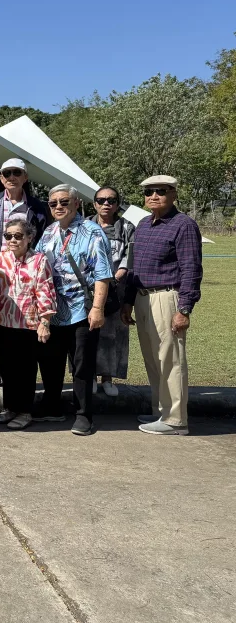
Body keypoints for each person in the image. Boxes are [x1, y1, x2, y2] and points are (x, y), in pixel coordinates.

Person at [123, 175, 203, 436]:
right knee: (153, 358)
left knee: (170, 359)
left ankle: (175, 419)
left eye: (160, 191)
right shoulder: (144, 224)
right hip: (142, 297)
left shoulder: (183, 225)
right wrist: (128, 301)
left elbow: (191, 269)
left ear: (174, 194)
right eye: (148, 192)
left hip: (167, 296)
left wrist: (184, 308)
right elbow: (134, 267)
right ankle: (161, 410)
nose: (153, 196)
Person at [33, 185, 113, 436]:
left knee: (82, 365)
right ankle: (52, 406)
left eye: (64, 201)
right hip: (53, 311)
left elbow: (102, 274)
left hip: (82, 309)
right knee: (50, 361)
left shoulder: (92, 232)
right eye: (53, 203)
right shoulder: (49, 232)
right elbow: (37, 266)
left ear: (77, 203)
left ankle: (83, 414)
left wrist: (97, 308)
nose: (58, 206)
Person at [0, 158, 50, 391]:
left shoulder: (37, 207)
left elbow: (42, 239)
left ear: (25, 177)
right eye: (6, 173)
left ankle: (21, 373)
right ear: (1, 178)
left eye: (16, 172)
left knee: (26, 323)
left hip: (28, 273)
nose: (11, 177)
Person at [0, 216, 57, 430]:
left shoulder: (39, 260)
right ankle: (10, 407)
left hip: (28, 323)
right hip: (3, 321)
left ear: (29, 237)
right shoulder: (1, 258)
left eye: (18, 236)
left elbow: (45, 291)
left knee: (25, 370)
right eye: (8, 236)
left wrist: (45, 321)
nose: (13, 240)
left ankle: (25, 412)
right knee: (7, 368)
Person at [89, 186, 135, 397]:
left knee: (112, 335)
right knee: (88, 334)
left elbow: (130, 256)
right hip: (88, 288)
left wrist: (116, 276)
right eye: (101, 200)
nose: (106, 204)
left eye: (111, 200)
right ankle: (89, 376)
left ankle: (107, 378)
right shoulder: (84, 226)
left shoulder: (127, 227)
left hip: (117, 288)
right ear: (94, 204)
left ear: (117, 204)